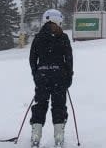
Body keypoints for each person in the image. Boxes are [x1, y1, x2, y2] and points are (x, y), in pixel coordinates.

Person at [29, 9, 73, 148]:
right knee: (59, 105)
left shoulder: (38, 37)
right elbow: (69, 58)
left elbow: (32, 59)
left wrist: (36, 73)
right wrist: (68, 75)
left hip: (42, 75)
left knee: (40, 104)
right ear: (58, 20)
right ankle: (59, 137)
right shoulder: (63, 37)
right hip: (59, 76)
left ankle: (36, 135)